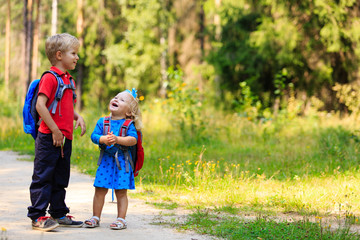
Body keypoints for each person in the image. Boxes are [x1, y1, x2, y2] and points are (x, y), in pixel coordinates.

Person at [27, 33, 86, 231]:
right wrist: (54, 130)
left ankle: (58, 213)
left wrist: (77, 117)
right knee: (43, 176)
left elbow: (63, 106)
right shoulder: (50, 78)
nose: (77, 57)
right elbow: (41, 106)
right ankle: (38, 217)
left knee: (61, 177)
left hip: (64, 138)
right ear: (59, 55)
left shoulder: (69, 80)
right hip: (49, 136)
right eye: (74, 53)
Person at [84, 88, 142, 230]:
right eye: (115, 97)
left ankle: (121, 219)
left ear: (129, 112)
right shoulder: (102, 121)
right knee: (100, 189)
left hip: (122, 162)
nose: (116, 99)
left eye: (122, 100)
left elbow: (133, 139)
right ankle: (95, 217)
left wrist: (117, 139)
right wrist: (103, 139)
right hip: (106, 162)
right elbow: (94, 136)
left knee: (121, 192)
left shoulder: (128, 125)